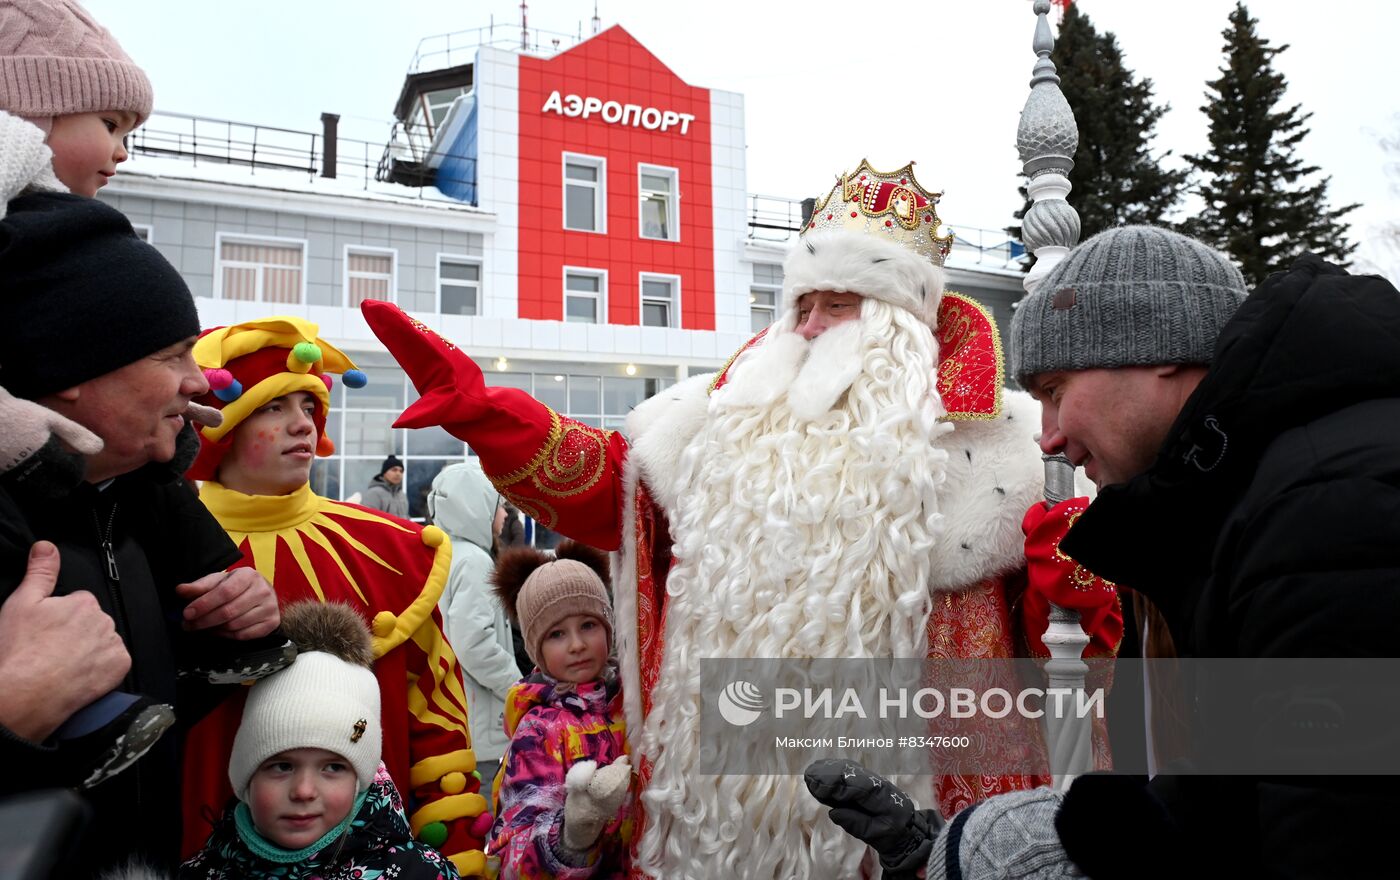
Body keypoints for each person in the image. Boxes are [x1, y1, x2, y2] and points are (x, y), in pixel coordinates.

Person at [360, 160, 1121, 878]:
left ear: (902, 325)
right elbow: (608, 490)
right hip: (722, 820)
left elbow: (1075, 654)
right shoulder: (713, 426)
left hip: (912, 806)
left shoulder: (1010, 453)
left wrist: (1085, 583)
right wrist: (492, 416)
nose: (813, 326)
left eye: (840, 304)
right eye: (804, 305)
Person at [815, 227, 1400, 878]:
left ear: (1160, 350)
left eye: (1057, 390)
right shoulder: (1252, 505)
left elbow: (1329, 841)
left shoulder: (1326, 514)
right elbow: (1234, 805)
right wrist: (964, 851)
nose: (1049, 437)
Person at [0, 193, 282, 877]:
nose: (197, 379)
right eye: (173, 354)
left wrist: (232, 626)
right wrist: (12, 714)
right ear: (70, 372)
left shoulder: (137, 503)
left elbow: (147, 721)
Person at [178, 317, 492, 876]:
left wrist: (455, 858)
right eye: (275, 407)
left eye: (308, 406)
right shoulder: (157, 546)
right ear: (219, 427)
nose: (302, 423)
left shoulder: (388, 550)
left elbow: (437, 728)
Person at [180, 601, 461, 879]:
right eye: (282, 766)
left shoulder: (419, 873)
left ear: (360, 782)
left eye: (333, 767)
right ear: (245, 777)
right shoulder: (203, 873)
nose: (303, 791)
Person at [486, 540, 631, 879]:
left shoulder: (633, 702)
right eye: (556, 634)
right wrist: (573, 833)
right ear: (536, 649)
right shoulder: (538, 731)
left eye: (589, 625)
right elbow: (513, 855)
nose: (577, 644)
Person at [429, 460, 522, 796]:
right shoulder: (474, 561)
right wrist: (516, 686)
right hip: (482, 726)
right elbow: (473, 642)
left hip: (457, 715)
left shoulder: (443, 554)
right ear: (477, 506)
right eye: (500, 506)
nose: (504, 516)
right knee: (483, 817)